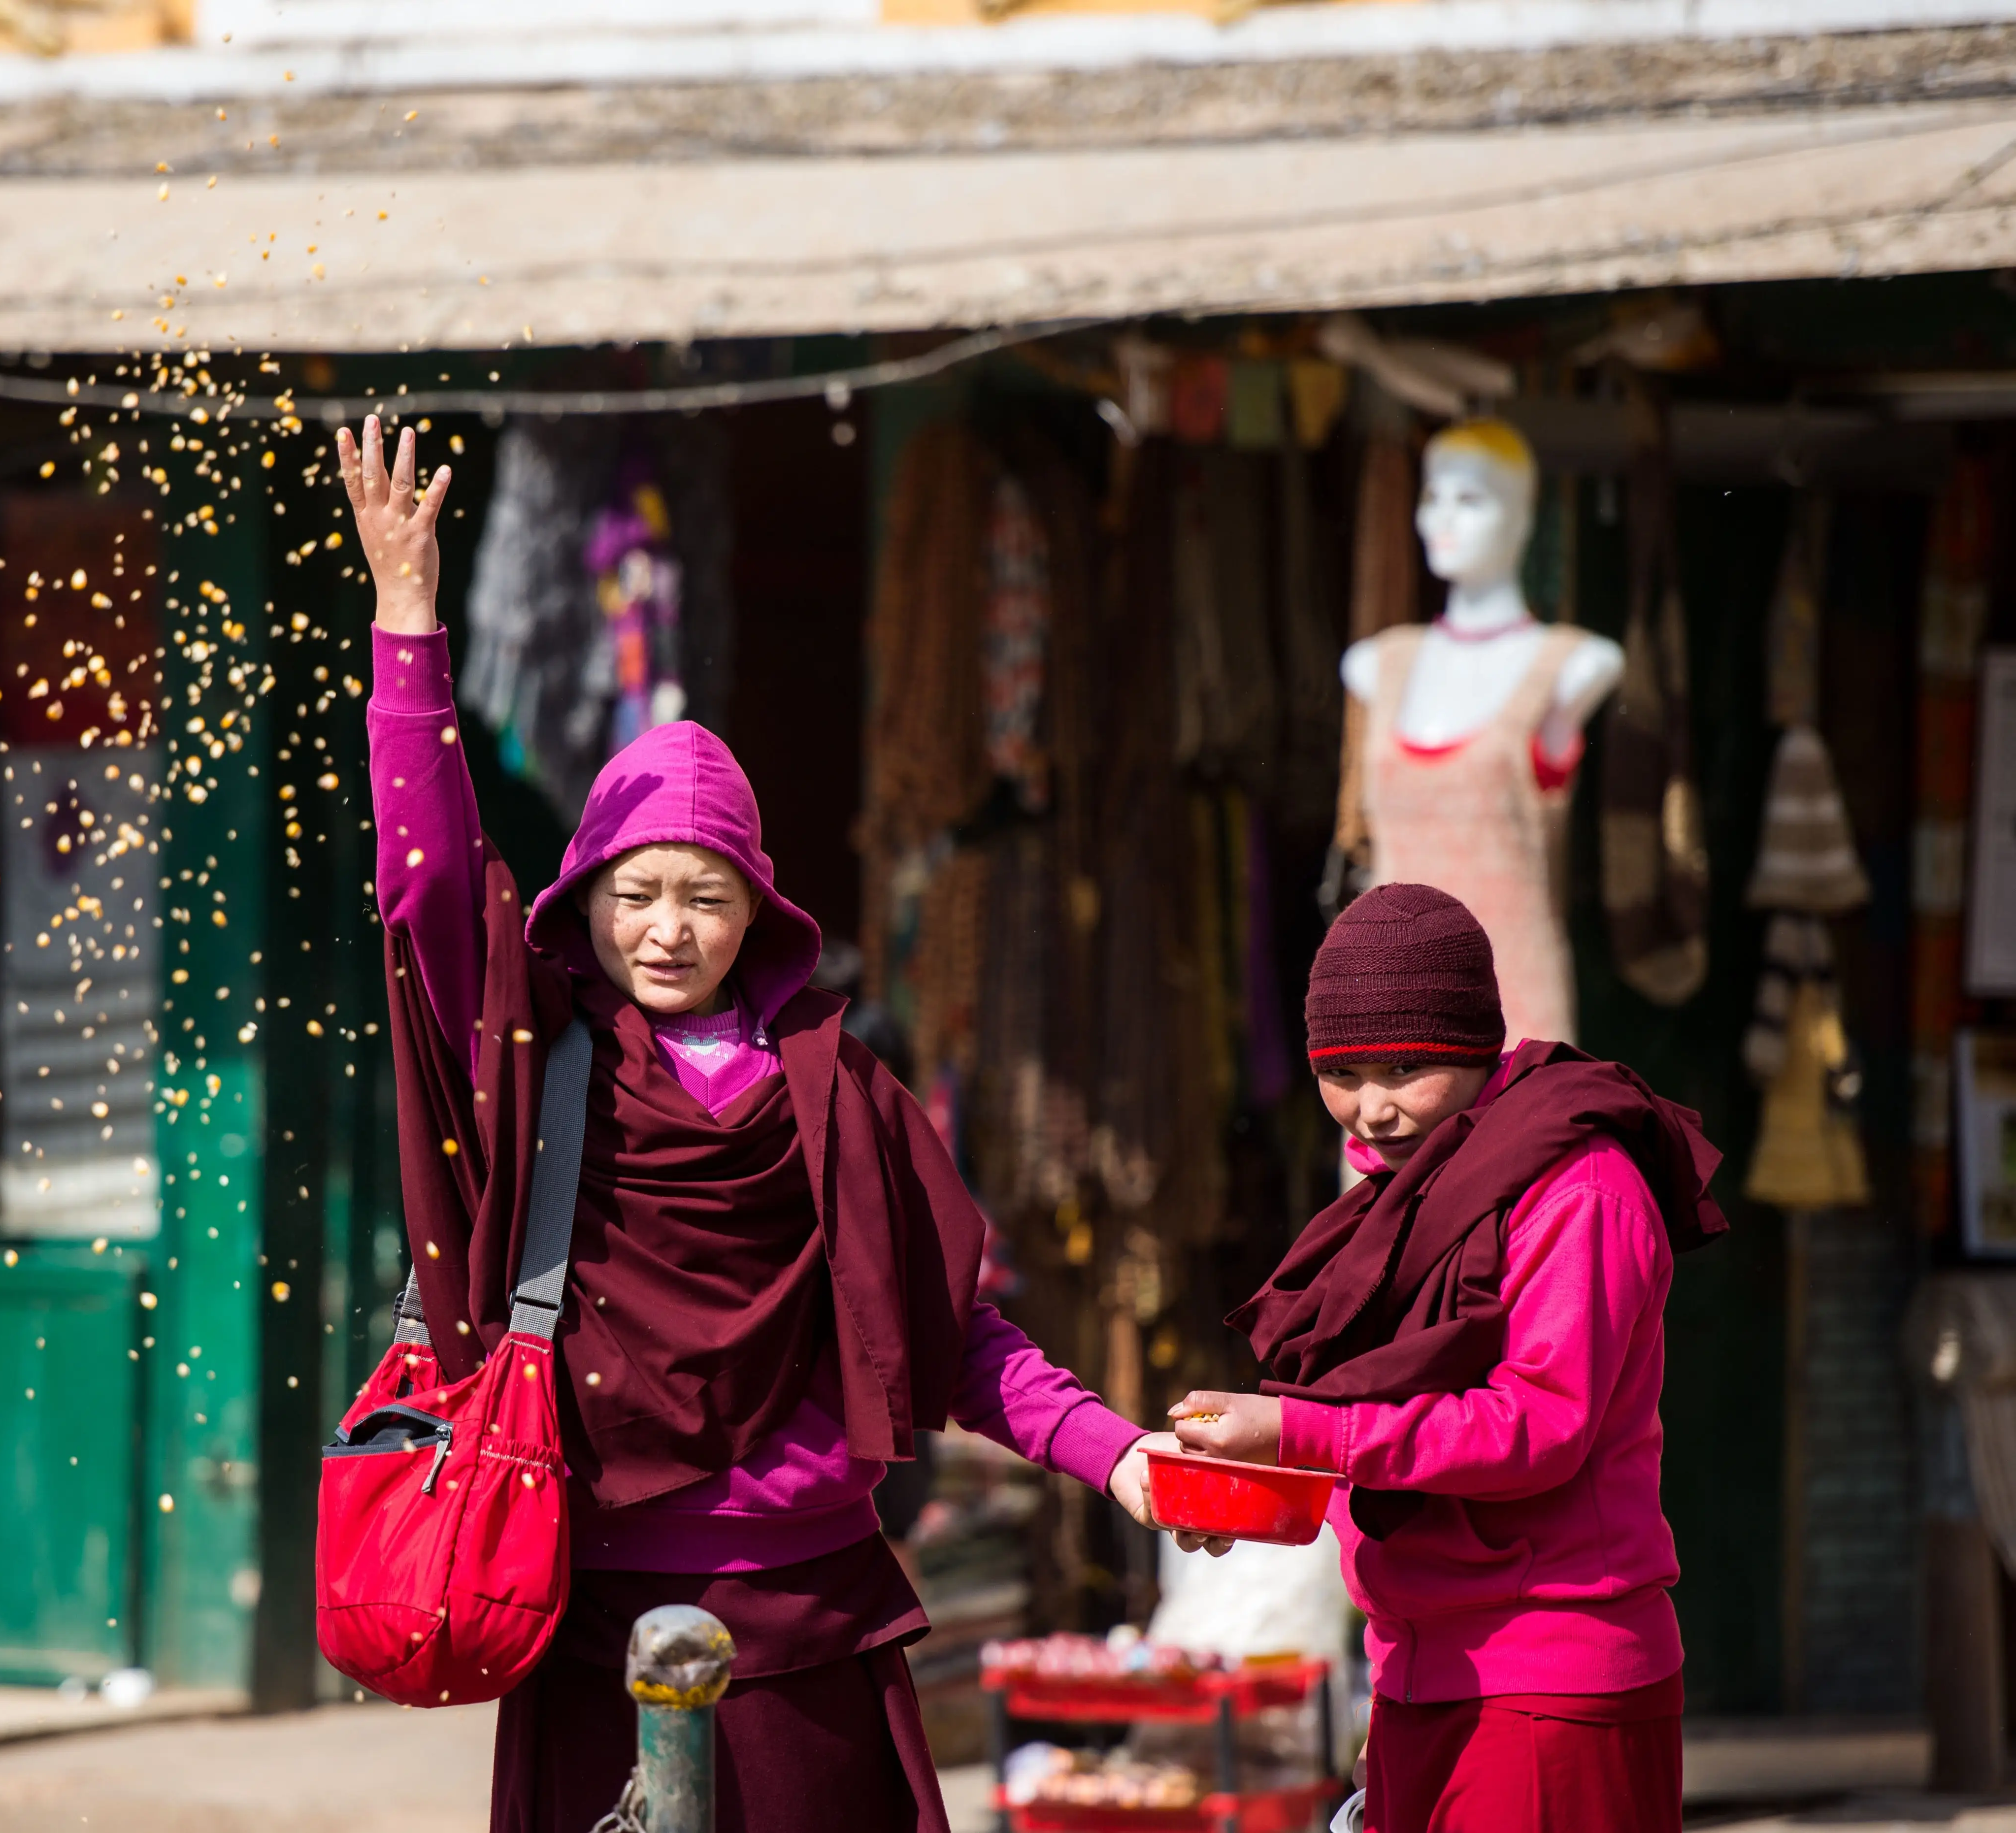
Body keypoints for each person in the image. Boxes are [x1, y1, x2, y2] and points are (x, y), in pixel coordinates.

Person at [336, 418, 1180, 1833]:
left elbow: (952, 1328)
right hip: (588, 1588)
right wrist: (407, 624)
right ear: (587, 898)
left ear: (760, 916)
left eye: (706, 897)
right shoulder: (542, 1059)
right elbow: (426, 898)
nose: (668, 930)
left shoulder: (842, 1085)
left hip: (808, 1605)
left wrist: (1118, 1452)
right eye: (637, 892)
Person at [1167, 883, 1726, 1833]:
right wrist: (1262, 1486)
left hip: (1551, 1684)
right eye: (1342, 1075)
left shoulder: (1579, 1183)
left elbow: (1537, 1424)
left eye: (1406, 1069)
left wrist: (1299, 1431)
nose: (1373, 1110)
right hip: (1419, 1678)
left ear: (1476, 1044)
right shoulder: (1412, 1190)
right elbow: (1386, 1430)